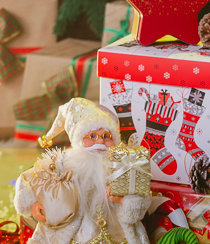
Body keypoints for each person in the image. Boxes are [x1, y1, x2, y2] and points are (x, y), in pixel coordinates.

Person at [13, 98, 149, 244]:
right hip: (71, 232)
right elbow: (29, 180)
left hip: (117, 234)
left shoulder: (124, 165)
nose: (100, 142)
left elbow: (142, 199)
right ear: (79, 138)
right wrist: (34, 203)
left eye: (106, 136)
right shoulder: (62, 164)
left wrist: (122, 199)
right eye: (92, 136)